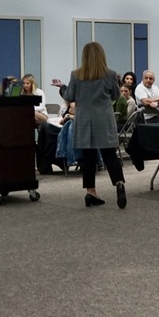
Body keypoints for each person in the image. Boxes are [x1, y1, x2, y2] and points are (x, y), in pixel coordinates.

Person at [52, 42, 126, 208]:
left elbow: (70, 96)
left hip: (84, 118)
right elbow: (115, 95)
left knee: (88, 157)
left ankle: (90, 192)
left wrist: (62, 87)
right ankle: (119, 183)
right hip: (104, 118)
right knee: (109, 154)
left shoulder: (76, 75)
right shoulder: (110, 74)